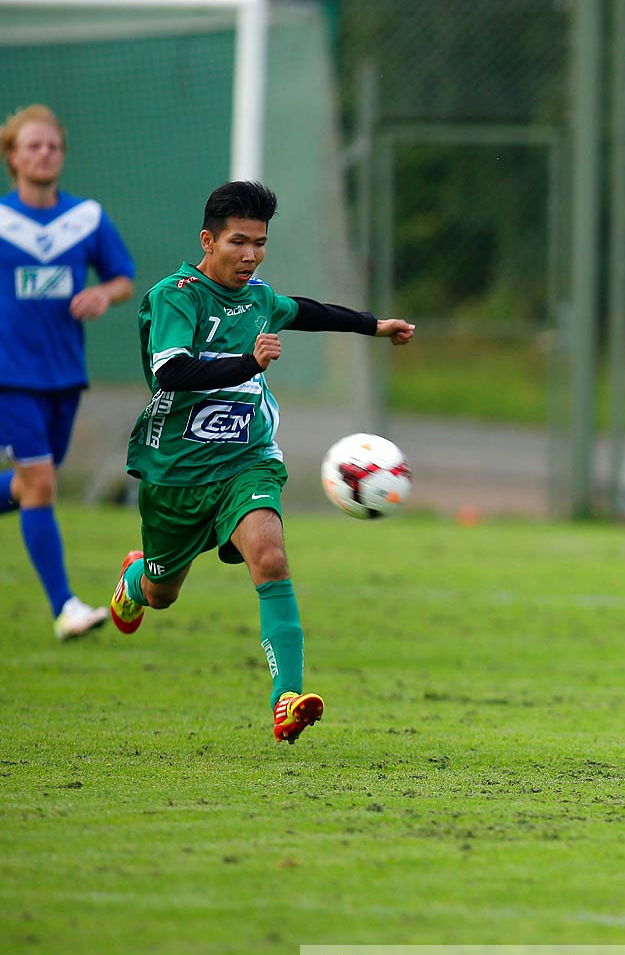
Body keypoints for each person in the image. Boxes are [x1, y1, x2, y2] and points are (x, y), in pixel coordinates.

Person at [108, 180, 415, 743]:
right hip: (174, 472)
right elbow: (171, 372)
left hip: (246, 461)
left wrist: (375, 325)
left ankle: (287, 698)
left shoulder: (259, 297)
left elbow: (307, 312)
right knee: (161, 594)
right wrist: (246, 364)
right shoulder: (177, 296)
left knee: (270, 557)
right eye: (238, 242)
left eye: (260, 243)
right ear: (209, 240)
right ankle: (136, 575)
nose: (250, 255)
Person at [0, 105, 137, 640]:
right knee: (42, 484)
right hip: (11, 375)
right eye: (32, 146)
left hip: (64, 374)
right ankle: (66, 608)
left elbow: (123, 277)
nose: (44, 153)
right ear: (12, 156)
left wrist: (103, 292)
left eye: (52, 146)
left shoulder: (85, 219)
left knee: (35, 480)